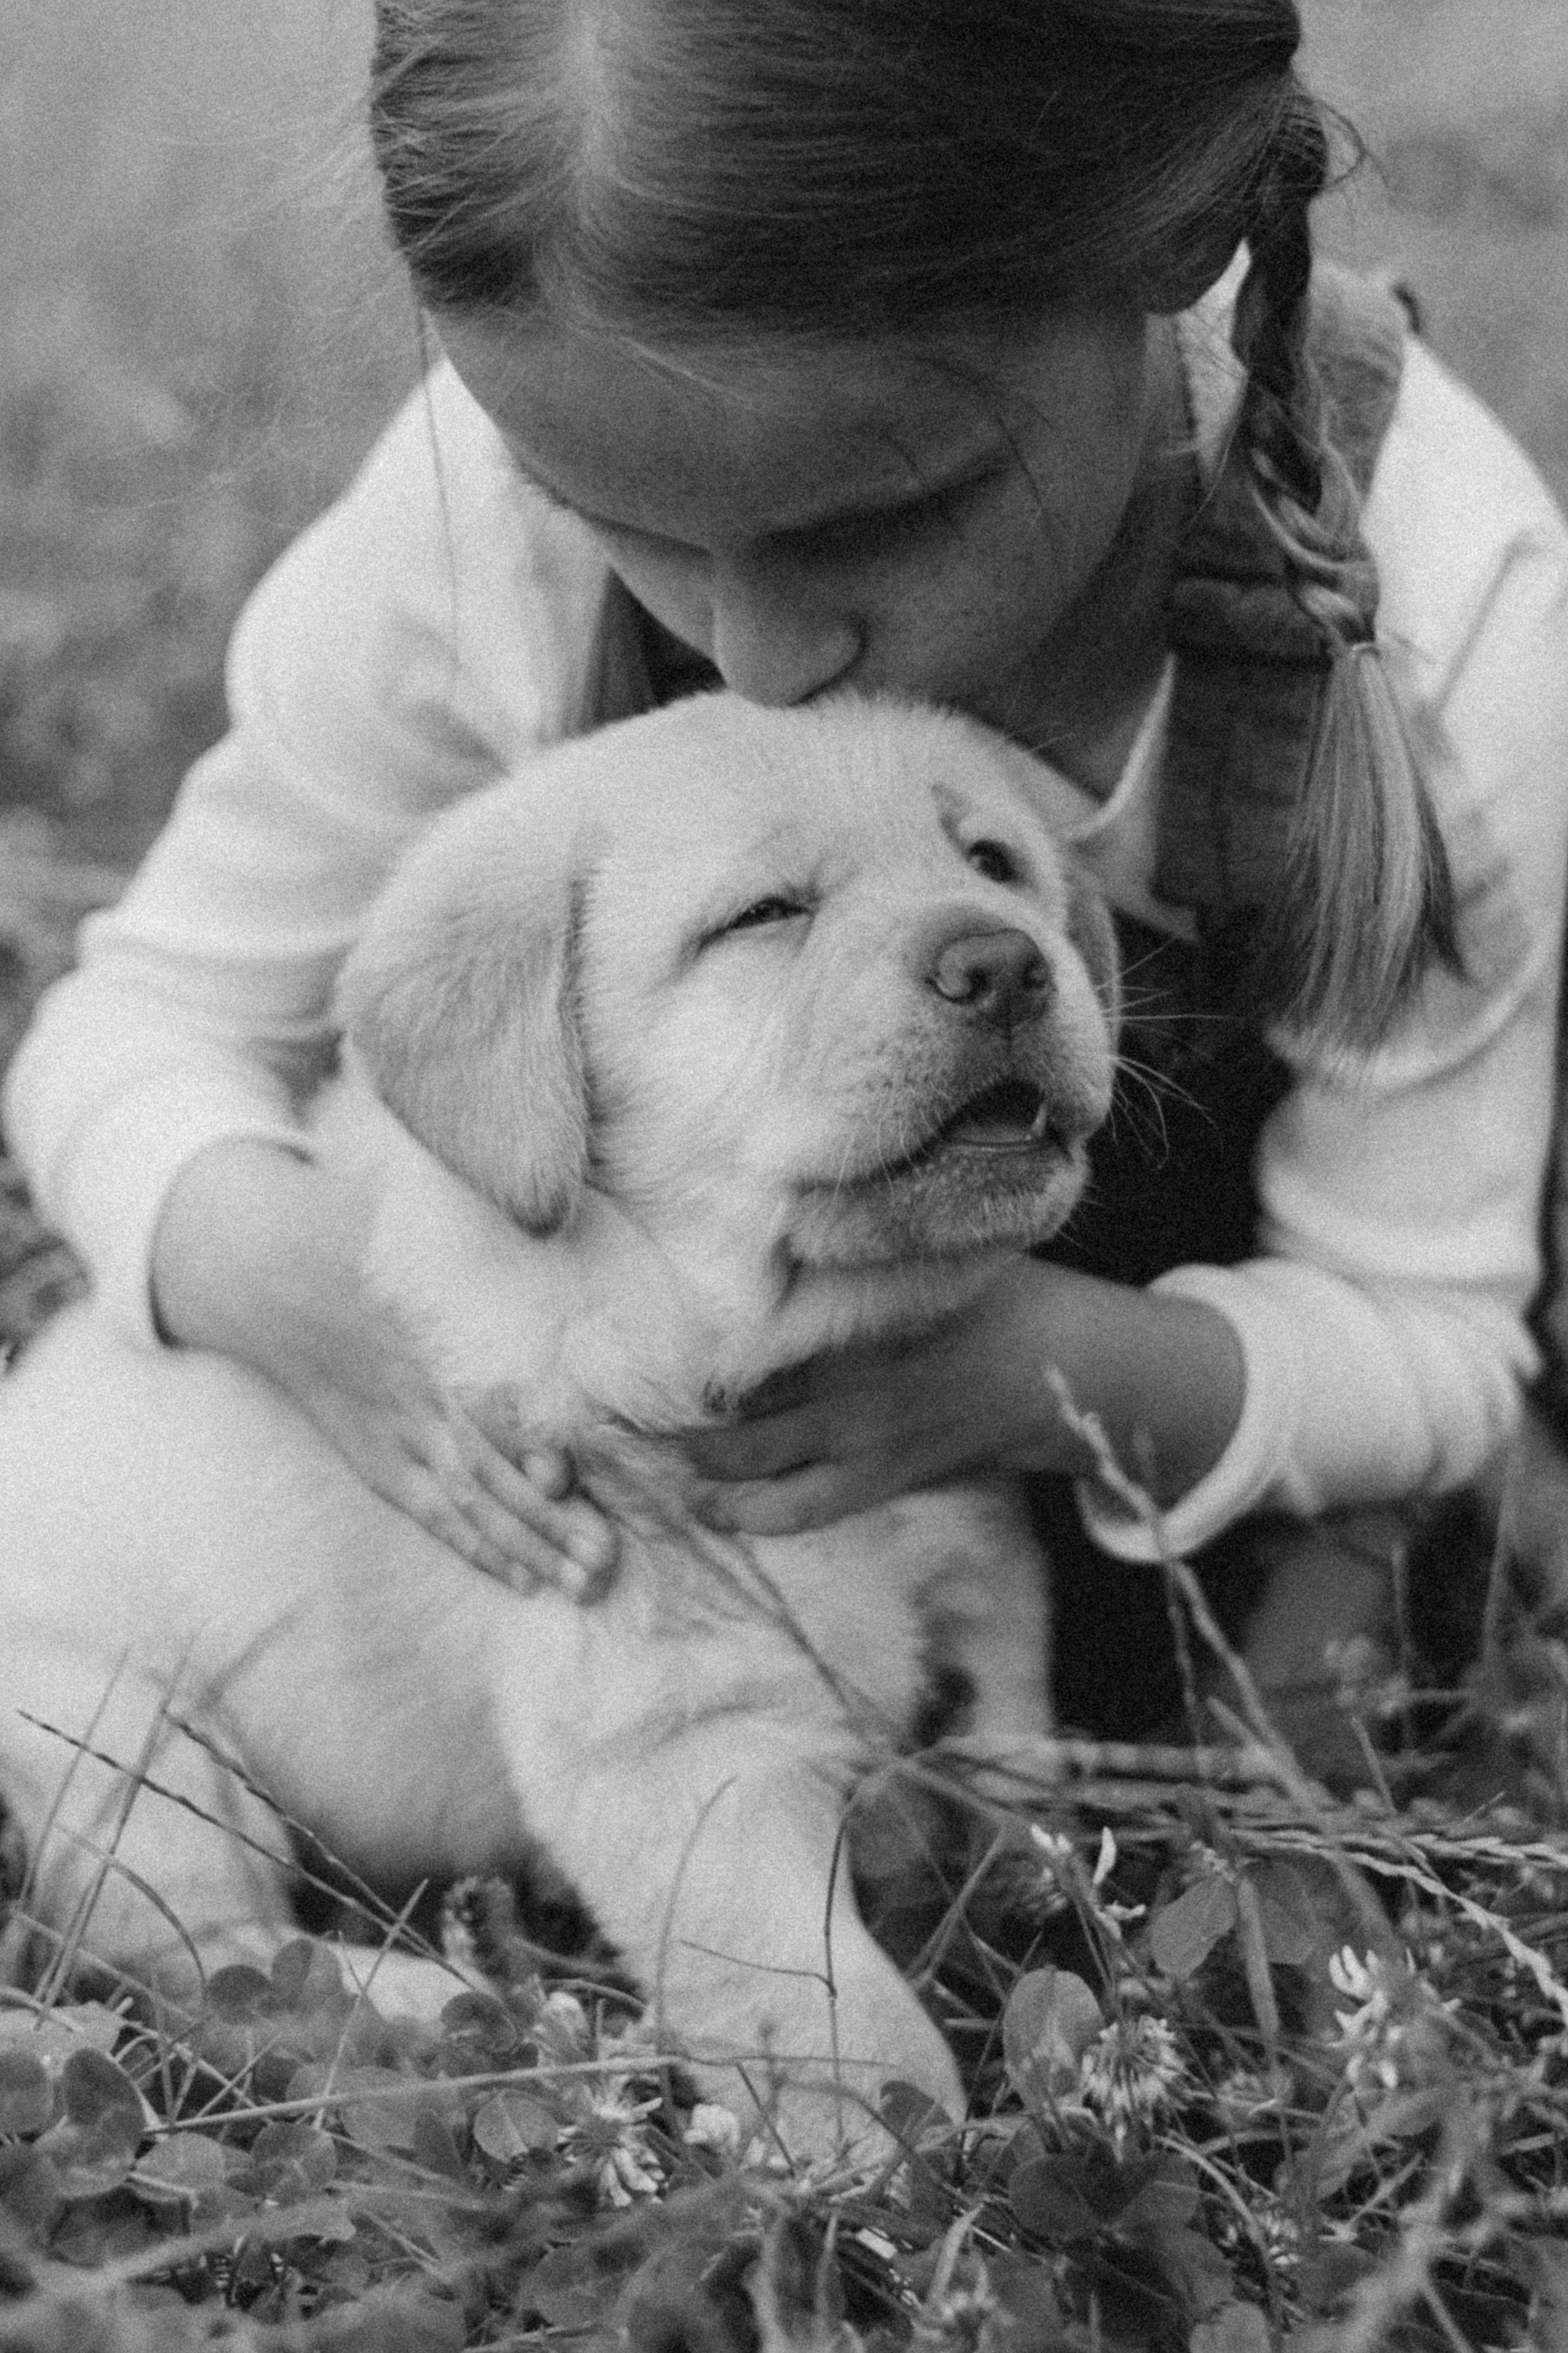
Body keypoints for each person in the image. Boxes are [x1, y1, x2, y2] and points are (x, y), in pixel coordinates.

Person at [7, 0, 1567, 1765]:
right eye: (621, 520)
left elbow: (1432, 1339)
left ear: (1174, 241)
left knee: (1319, 1708)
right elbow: (134, 1023)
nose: (753, 646)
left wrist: (1042, 1374)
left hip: (1200, 1445)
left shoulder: (1446, 618)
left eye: (869, 522)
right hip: (725, 1519)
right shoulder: (485, 524)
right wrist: (305, 1285)